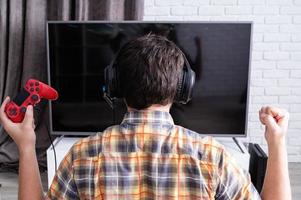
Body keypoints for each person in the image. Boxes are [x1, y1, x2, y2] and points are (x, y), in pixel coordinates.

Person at [0, 34, 291, 200]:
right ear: (182, 89)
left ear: (114, 86)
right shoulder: (213, 157)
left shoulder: (82, 156)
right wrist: (276, 143)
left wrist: (26, 146)